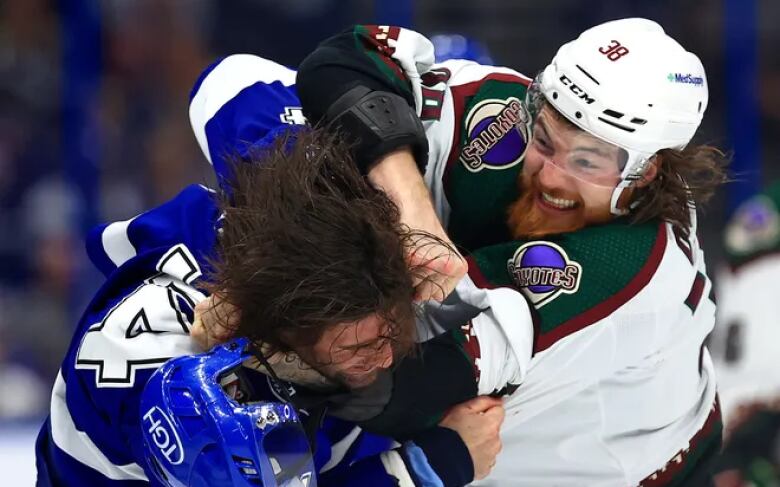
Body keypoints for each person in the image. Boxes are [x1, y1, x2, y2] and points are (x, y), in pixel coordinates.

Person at [194, 18, 729, 485]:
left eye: (588, 163)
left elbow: (399, 395)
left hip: (633, 473)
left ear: (647, 172)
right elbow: (329, 63)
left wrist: (267, 316)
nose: (550, 178)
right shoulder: (500, 115)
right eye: (545, 139)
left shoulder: (641, 274)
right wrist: (408, 206)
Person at [34, 122, 504, 485]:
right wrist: (428, 468)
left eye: (391, 328)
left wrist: (398, 178)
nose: (385, 356)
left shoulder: (274, 230)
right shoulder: (200, 399)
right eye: (360, 348)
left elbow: (234, 75)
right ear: (284, 337)